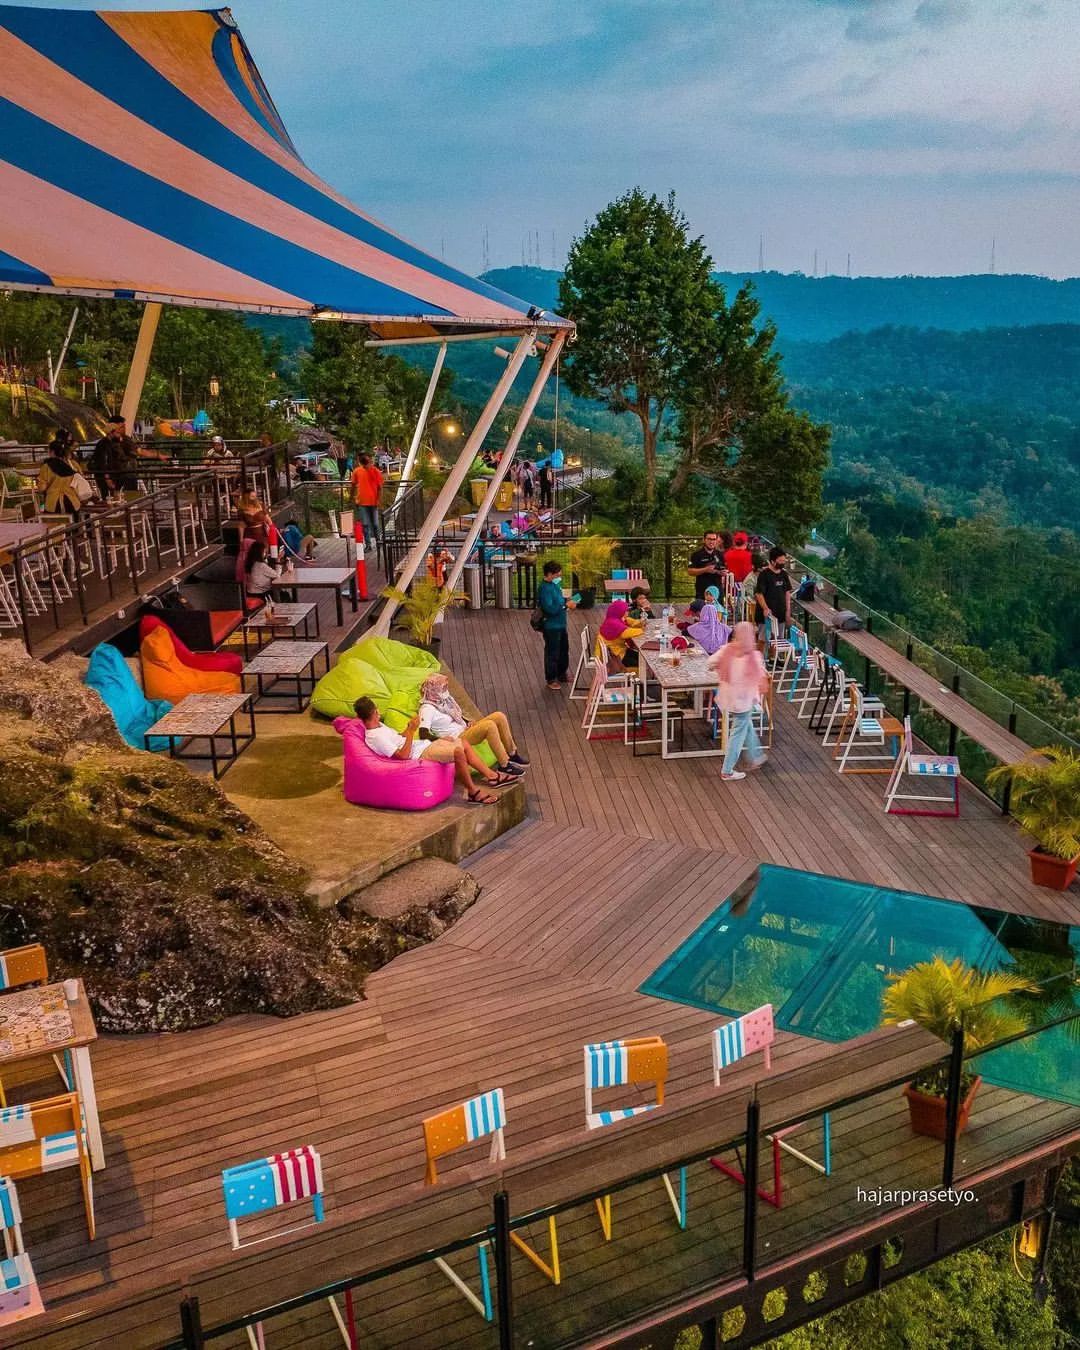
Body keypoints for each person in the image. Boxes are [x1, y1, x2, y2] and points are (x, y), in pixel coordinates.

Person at [353, 696, 517, 805]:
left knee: (462, 743)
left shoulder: (379, 726)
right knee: (458, 751)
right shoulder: (375, 737)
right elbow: (402, 756)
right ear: (375, 712)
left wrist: (410, 728)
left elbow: (398, 737)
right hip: (419, 754)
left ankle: (492, 776)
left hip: (423, 745)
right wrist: (411, 731)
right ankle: (473, 792)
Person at [418, 674, 528, 776]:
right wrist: (441, 740)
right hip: (457, 737)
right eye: (443, 688)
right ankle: (504, 765)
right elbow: (423, 733)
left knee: (499, 716)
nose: (446, 690)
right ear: (434, 690)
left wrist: (467, 722)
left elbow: (454, 716)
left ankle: (512, 753)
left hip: (465, 729)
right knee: (489, 726)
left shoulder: (443, 701)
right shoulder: (427, 709)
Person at [709, 621, 769, 781]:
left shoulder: (727, 650)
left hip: (728, 697)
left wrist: (718, 668)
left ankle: (756, 755)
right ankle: (727, 770)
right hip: (744, 701)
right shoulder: (754, 657)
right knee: (738, 733)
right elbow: (762, 680)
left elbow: (710, 662)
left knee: (744, 725)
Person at [537, 558, 575, 690]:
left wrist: (567, 600)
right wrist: (565, 606)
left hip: (561, 624)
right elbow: (549, 609)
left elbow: (559, 600)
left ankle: (562, 673)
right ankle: (551, 678)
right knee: (552, 653)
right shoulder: (544, 589)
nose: (559, 575)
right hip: (552, 626)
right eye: (557, 573)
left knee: (564, 650)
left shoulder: (554, 585)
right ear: (549, 574)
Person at [38, 430, 92, 514]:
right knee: (74, 525)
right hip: (72, 503)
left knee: (53, 526)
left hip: (53, 505)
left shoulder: (46, 467)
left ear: (52, 452)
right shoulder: (71, 464)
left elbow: (42, 488)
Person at [90, 414, 136, 496]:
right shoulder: (104, 444)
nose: (119, 433)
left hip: (111, 474)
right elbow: (103, 462)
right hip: (106, 476)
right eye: (117, 431)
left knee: (114, 495)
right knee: (109, 496)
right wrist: (107, 479)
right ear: (111, 432)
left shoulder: (111, 443)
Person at [754, 546, 793, 638]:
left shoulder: (784, 574)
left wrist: (788, 611)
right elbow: (759, 593)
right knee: (763, 640)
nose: (782, 563)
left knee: (778, 640)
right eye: (780, 561)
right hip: (766, 616)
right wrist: (765, 608)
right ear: (772, 561)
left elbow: (787, 593)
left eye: (784, 561)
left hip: (780, 614)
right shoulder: (764, 575)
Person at [596, 599, 645, 670]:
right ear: (620, 612)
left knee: (643, 658)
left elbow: (630, 621)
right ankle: (637, 678)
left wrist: (640, 622)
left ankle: (644, 678)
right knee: (642, 663)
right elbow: (626, 632)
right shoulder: (615, 624)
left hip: (619, 651)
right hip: (619, 656)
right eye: (626, 610)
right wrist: (642, 630)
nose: (627, 612)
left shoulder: (613, 619)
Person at [351, 452, 384, 547]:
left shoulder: (375, 471)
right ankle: (368, 545)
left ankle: (378, 542)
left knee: (375, 524)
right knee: (365, 524)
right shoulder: (357, 471)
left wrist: (378, 500)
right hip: (362, 502)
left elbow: (380, 487)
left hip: (373, 502)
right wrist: (352, 497)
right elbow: (353, 485)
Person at [687, 586, 731, 655]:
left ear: (715, 596)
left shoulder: (718, 607)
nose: (708, 596)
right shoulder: (706, 604)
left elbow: (717, 621)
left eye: (710, 594)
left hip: (716, 628)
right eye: (706, 594)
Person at [687, 530, 727, 601]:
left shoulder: (720, 554)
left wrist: (721, 572)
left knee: (719, 612)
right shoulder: (696, 554)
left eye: (714, 539)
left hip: (717, 591)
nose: (711, 542)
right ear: (704, 540)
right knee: (702, 611)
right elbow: (690, 571)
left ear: (716, 540)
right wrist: (705, 570)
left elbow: (724, 570)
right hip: (703, 591)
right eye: (709, 539)